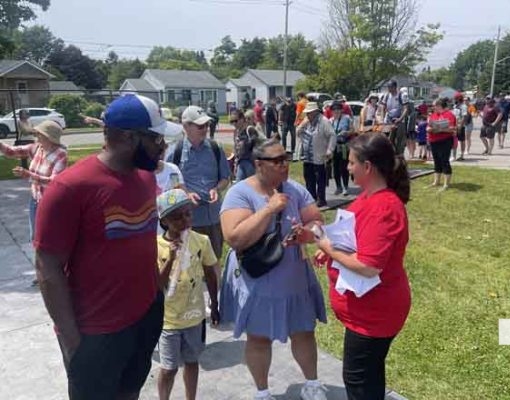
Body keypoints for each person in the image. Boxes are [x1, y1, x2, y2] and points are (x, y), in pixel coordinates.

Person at [33, 94, 182, 399]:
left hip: (143, 317)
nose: (162, 147)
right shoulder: (71, 188)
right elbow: (47, 266)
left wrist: (155, 298)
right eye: (156, 139)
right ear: (129, 138)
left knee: (130, 392)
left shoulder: (144, 177)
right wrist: (73, 340)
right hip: (96, 331)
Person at [219, 139, 328, 400]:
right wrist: (269, 209)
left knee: (303, 331)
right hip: (257, 279)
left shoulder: (296, 190)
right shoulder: (240, 193)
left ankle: (312, 384)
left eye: (286, 158)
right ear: (258, 164)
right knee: (258, 338)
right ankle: (262, 392)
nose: (284, 165)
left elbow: (316, 220)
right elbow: (234, 237)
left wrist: (309, 233)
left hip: (294, 278)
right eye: (277, 161)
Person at [313, 133, 411, 400]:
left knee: (359, 381)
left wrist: (327, 248)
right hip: (365, 310)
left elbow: (369, 266)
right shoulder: (369, 197)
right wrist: (333, 251)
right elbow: (356, 237)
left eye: (352, 162)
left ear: (367, 167)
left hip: (374, 316)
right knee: (367, 375)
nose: (347, 167)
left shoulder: (384, 208)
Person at [156, 188, 220, 400]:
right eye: (176, 217)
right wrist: (171, 258)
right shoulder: (156, 246)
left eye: (187, 214)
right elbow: (157, 285)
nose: (184, 220)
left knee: (192, 362)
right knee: (168, 368)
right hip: (168, 320)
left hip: (194, 316)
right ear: (164, 221)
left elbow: (211, 274)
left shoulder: (201, 241)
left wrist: (215, 305)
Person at [166, 105, 232, 275]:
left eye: (207, 125)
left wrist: (217, 189)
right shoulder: (175, 151)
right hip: (188, 221)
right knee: (188, 264)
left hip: (214, 217)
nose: (205, 129)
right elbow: (170, 181)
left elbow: (225, 178)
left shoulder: (216, 149)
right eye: (200, 126)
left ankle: (214, 298)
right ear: (186, 126)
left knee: (214, 260)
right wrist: (185, 193)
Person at [0, 120, 68, 244]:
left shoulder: (61, 155)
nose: (36, 136)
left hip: (51, 202)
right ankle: (38, 262)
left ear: (48, 137)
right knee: (35, 238)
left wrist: (29, 175)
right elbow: (11, 152)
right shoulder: (36, 147)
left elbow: (54, 182)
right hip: (35, 200)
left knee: (48, 239)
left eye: (39, 134)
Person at [297, 102, 336, 208]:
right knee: (309, 178)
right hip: (307, 156)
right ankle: (311, 198)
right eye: (307, 113)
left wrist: (330, 150)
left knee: (320, 179)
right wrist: (302, 125)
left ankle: (321, 199)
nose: (307, 115)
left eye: (309, 113)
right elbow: (298, 132)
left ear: (315, 112)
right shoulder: (306, 121)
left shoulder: (324, 121)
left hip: (319, 155)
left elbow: (332, 135)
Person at [427, 97, 457, 191]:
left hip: (445, 141)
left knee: (444, 161)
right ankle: (436, 182)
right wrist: (430, 129)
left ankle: (446, 184)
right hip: (433, 140)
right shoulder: (433, 115)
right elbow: (428, 127)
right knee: (436, 161)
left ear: (439, 105)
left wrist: (440, 129)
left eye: (434, 106)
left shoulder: (449, 115)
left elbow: (452, 128)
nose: (433, 107)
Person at [330, 101, 353, 196]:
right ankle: (338, 186)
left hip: (344, 146)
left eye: (338, 109)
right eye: (334, 110)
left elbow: (353, 130)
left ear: (341, 110)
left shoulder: (347, 118)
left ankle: (346, 187)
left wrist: (347, 133)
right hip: (334, 146)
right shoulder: (330, 120)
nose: (336, 112)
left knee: (344, 167)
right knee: (335, 167)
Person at [381, 80, 409, 156]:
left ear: (395, 87)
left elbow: (406, 108)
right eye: (388, 87)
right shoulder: (386, 96)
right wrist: (383, 119)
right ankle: (390, 157)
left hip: (399, 120)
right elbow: (383, 108)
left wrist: (400, 119)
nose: (389, 89)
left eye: (391, 87)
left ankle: (399, 157)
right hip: (389, 120)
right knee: (388, 141)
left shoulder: (402, 95)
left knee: (399, 141)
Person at [230, 109, 260, 181]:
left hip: (250, 163)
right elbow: (236, 150)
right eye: (232, 121)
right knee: (238, 186)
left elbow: (258, 145)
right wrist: (234, 164)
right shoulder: (236, 132)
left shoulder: (249, 130)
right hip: (240, 162)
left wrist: (245, 143)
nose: (234, 124)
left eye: (236, 121)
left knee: (253, 186)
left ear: (242, 119)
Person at [451, 92, 468, 161]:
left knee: (462, 140)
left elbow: (464, 116)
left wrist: (460, 126)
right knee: (453, 140)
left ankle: (462, 154)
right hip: (454, 126)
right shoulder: (455, 106)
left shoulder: (463, 106)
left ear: (459, 98)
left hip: (460, 125)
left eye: (456, 98)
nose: (454, 99)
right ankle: (453, 155)